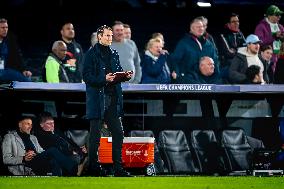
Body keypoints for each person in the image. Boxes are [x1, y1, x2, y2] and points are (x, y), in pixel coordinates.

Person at [83, 25, 133, 177]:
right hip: (98, 99)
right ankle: (93, 168)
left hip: (112, 99)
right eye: (107, 36)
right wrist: (103, 79)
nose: (110, 38)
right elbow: (86, 76)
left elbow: (116, 72)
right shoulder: (91, 54)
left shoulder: (114, 53)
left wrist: (124, 76)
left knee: (118, 133)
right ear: (99, 37)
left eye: (111, 36)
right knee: (95, 136)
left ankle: (118, 168)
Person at [2, 116, 78, 176]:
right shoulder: (9, 137)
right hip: (25, 163)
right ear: (20, 125)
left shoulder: (33, 137)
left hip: (37, 159)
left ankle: (58, 182)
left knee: (53, 159)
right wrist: (23, 158)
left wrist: (45, 154)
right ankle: (73, 169)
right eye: (27, 124)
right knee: (52, 150)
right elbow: (6, 159)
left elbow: (41, 150)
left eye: (31, 125)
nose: (30, 126)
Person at [34, 111, 87, 176]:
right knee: (55, 160)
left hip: (67, 153)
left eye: (53, 123)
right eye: (48, 123)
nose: (52, 125)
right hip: (57, 155)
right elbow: (55, 148)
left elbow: (69, 141)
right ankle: (72, 169)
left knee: (84, 154)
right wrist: (71, 152)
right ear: (41, 125)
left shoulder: (56, 131)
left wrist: (78, 149)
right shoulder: (41, 135)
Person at [0, 18, 32, 82]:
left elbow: (17, 56)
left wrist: (23, 70)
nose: (5, 30)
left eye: (6, 27)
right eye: (2, 28)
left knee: (27, 79)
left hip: (6, 70)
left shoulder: (10, 39)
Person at [255, 5, 284, 73]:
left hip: (279, 59)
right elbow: (259, 42)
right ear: (269, 16)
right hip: (266, 60)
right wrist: (273, 36)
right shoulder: (261, 27)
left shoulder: (281, 27)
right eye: (277, 15)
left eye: (280, 15)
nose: (279, 16)